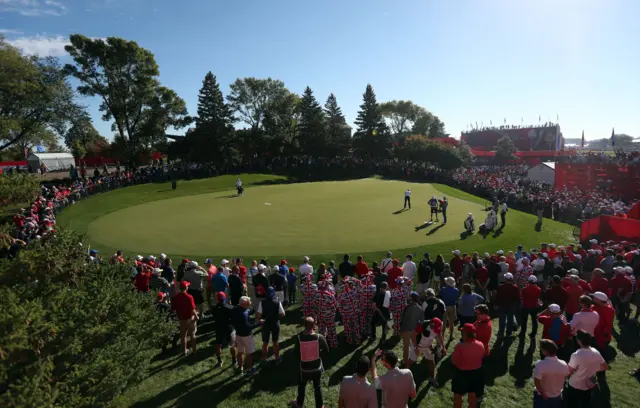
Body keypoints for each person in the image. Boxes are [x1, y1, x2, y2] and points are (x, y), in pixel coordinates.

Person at [291, 317, 329, 408]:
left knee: (302, 385)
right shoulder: (320, 337)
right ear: (314, 326)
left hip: (304, 369)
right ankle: (319, 406)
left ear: (304, 326)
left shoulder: (299, 338)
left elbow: (296, 353)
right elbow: (327, 350)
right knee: (317, 386)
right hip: (316, 368)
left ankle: (299, 404)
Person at [566, 330, 609, 407]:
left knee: (573, 404)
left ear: (579, 341)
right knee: (586, 402)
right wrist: (593, 369)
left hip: (575, 384)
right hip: (589, 384)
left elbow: (569, 371)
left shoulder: (576, 355)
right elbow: (605, 367)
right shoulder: (596, 352)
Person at [451, 324, 486, 408]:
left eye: (462, 332)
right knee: (472, 397)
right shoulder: (481, 345)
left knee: (458, 397)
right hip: (476, 374)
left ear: (465, 334)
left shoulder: (460, 346)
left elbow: (453, 361)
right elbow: (482, 357)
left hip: (462, 375)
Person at [533, 339, 570, 407]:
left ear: (545, 351)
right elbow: (566, 377)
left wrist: (543, 394)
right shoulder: (564, 364)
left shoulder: (540, 364)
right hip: (557, 396)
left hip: (542, 396)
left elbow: (537, 382)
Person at [411, 318, 446, 386]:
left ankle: (432, 378)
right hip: (418, 346)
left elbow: (440, 336)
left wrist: (443, 347)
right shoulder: (422, 325)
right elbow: (414, 335)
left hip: (428, 347)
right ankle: (405, 375)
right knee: (410, 361)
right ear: (431, 324)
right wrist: (415, 348)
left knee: (432, 363)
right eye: (434, 327)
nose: (435, 330)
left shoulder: (437, 327)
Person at [257, 287, 285, 363]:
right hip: (275, 323)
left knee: (265, 342)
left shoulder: (262, 302)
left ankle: (263, 358)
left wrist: (261, 320)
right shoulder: (277, 302)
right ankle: (276, 358)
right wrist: (276, 317)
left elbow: (259, 315)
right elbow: (283, 314)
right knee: (275, 342)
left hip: (266, 324)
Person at [231, 296, 258, 376]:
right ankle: (249, 369)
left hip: (238, 334)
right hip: (247, 336)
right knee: (249, 354)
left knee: (240, 352)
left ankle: (240, 368)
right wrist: (258, 323)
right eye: (248, 303)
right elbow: (248, 326)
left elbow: (247, 311)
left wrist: (252, 310)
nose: (250, 304)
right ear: (244, 304)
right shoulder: (243, 314)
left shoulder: (235, 309)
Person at [171, 281, 198, 356]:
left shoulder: (175, 298)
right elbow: (192, 309)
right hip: (189, 318)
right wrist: (196, 316)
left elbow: (173, 308)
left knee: (183, 336)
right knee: (192, 335)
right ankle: (194, 351)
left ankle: (184, 351)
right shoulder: (189, 297)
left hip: (181, 319)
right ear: (186, 287)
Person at [212, 292, 237, 368]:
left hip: (219, 328)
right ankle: (234, 361)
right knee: (232, 345)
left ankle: (219, 361)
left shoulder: (214, 308)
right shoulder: (230, 307)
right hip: (229, 328)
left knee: (218, 345)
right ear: (225, 298)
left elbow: (214, 315)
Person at [399, 292, 422, 367]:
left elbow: (403, 320)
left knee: (406, 347)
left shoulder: (407, 308)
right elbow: (421, 321)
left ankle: (405, 362)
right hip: (414, 330)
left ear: (412, 298)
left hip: (406, 330)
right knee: (415, 345)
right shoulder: (420, 308)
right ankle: (414, 359)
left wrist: (401, 330)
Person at [496, 273, 520, 337]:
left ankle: (501, 333)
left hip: (502, 305)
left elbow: (498, 296)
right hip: (511, 306)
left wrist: (496, 304)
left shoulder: (500, 287)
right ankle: (508, 333)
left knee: (502, 319)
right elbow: (517, 297)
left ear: (505, 279)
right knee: (510, 319)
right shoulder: (515, 287)